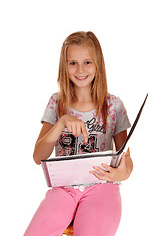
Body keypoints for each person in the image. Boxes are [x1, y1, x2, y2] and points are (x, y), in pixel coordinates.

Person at [24, 31, 133, 236]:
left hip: (102, 187)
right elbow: (38, 157)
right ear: (64, 66)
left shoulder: (114, 106)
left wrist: (121, 173)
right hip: (64, 190)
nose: (80, 70)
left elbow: (127, 161)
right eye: (72, 63)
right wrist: (62, 122)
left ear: (98, 64)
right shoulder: (57, 103)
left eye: (87, 62)